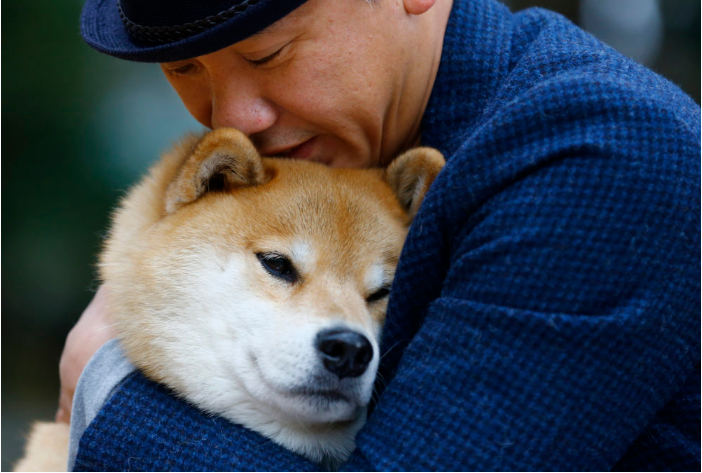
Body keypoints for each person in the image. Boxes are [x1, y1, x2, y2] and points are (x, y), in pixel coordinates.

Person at [61, 0, 700, 470]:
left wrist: (110, 391)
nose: (234, 118)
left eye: (267, 55)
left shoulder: (600, 157)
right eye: (186, 70)